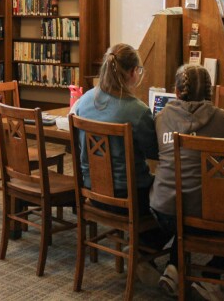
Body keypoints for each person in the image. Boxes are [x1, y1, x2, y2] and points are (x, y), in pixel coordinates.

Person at [149, 64, 224, 301]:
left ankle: (174, 269)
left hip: (163, 211)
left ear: (176, 91)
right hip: (200, 215)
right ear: (209, 92)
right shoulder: (219, 118)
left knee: (184, 201)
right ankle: (211, 276)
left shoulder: (162, 116)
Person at [72, 43, 168, 284]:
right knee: (173, 199)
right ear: (133, 72)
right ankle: (143, 253)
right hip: (130, 199)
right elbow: (154, 152)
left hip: (92, 192)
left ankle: (141, 253)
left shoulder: (83, 101)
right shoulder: (137, 111)